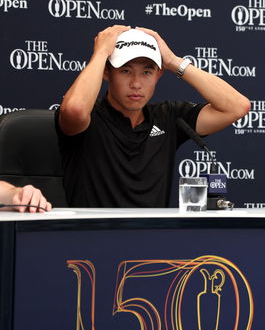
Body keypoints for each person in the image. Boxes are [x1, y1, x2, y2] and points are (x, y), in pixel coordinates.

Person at [56, 25, 250, 207]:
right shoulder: (90, 116)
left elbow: (237, 107)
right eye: (125, 70)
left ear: (159, 74)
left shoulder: (170, 117)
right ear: (106, 72)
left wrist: (174, 61)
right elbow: (75, 110)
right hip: (92, 239)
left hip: (153, 238)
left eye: (147, 71)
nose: (136, 83)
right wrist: (100, 53)